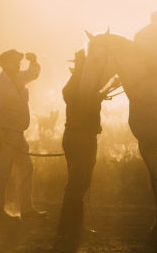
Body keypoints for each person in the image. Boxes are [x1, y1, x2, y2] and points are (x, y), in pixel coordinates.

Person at [0, 49, 47, 221]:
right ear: (5, 64)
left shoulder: (18, 78)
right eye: (15, 62)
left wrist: (34, 60)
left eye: (19, 62)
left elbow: (33, 73)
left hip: (17, 134)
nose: (18, 65)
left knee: (26, 170)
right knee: (3, 173)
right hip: (5, 133)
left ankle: (27, 211)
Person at [56, 50, 105, 245]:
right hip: (80, 137)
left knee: (81, 182)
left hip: (83, 136)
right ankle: (66, 227)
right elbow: (75, 98)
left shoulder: (83, 83)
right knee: (77, 182)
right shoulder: (76, 83)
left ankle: (74, 225)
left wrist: (99, 95)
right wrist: (97, 96)